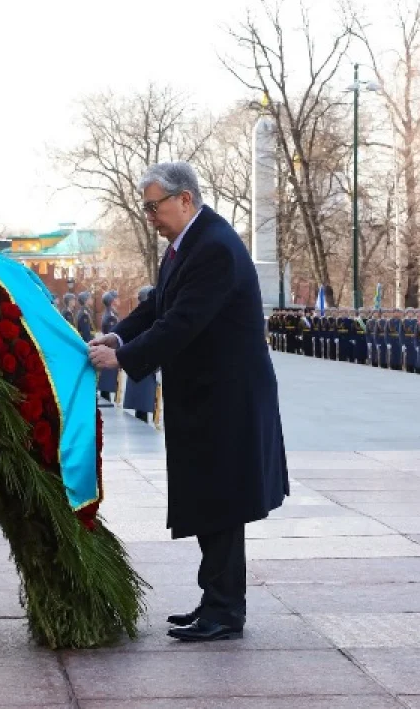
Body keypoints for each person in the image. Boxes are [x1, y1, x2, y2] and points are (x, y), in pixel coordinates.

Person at [89, 161, 288, 643]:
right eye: (146, 208)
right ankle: (214, 603)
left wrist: (125, 359)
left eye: (154, 206)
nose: (150, 216)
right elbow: (159, 306)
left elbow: (183, 322)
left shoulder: (214, 247)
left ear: (185, 199)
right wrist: (117, 337)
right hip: (208, 398)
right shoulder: (188, 245)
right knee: (210, 501)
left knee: (221, 503)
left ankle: (224, 610)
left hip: (226, 400)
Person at [121, 285, 159, 422]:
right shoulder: (144, 321)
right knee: (143, 400)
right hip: (144, 364)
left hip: (143, 365)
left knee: (144, 401)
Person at [97, 291, 120, 403]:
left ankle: (106, 399)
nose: (118, 300)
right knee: (108, 379)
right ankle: (106, 400)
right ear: (112, 301)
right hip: (110, 350)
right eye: (116, 298)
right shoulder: (111, 317)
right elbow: (113, 335)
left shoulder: (110, 314)